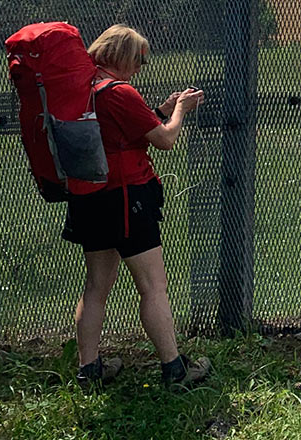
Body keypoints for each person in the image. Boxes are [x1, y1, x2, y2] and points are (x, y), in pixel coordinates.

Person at [66, 24, 210, 388]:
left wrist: (157, 110)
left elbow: (121, 130)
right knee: (153, 285)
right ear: (121, 57)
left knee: (97, 284)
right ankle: (175, 369)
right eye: (138, 60)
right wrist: (179, 110)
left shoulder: (84, 89)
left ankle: (90, 370)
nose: (140, 68)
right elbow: (164, 140)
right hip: (127, 197)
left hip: (90, 196)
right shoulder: (119, 92)